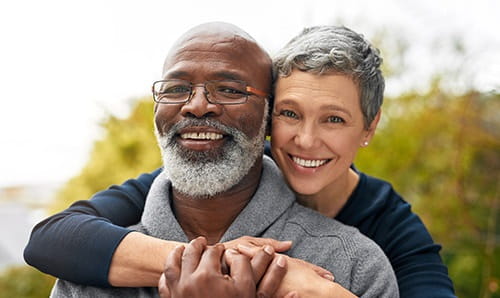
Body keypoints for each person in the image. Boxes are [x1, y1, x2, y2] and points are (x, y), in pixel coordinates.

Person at [23, 24, 455, 297]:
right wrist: (216, 261)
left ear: (369, 128)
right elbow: (50, 238)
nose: (306, 140)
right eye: (291, 114)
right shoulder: (209, 161)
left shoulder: (376, 245)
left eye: (334, 119)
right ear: (270, 122)